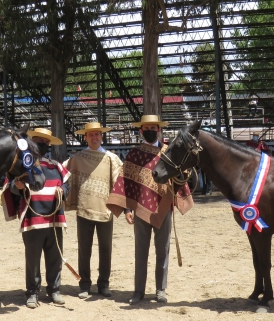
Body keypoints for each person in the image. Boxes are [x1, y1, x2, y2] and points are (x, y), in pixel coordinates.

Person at [106, 114, 193, 305]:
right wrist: (128, 209)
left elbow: (181, 176)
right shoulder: (134, 154)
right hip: (139, 209)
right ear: (141, 131)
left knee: (163, 250)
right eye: (147, 128)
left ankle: (161, 290)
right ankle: (138, 290)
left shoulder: (168, 152)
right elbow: (126, 183)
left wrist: (182, 177)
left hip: (164, 207)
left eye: (154, 128)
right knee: (141, 250)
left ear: (159, 130)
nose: (151, 131)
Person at [2, 127, 70, 309]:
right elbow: (11, 189)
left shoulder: (57, 166)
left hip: (54, 219)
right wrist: (18, 187)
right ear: (32, 142)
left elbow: (67, 186)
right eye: (39, 141)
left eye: (46, 142)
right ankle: (32, 293)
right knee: (32, 259)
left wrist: (63, 191)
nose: (43, 144)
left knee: (55, 257)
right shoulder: (23, 165)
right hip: (32, 220)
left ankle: (54, 290)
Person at [64, 122, 123, 299]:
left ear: (101, 136)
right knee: (84, 249)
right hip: (84, 210)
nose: (94, 137)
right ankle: (84, 284)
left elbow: (121, 180)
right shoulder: (77, 158)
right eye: (91, 135)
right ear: (85, 137)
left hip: (105, 211)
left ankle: (104, 284)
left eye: (97, 134)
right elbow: (61, 170)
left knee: (106, 249)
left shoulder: (111, 158)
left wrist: (125, 207)